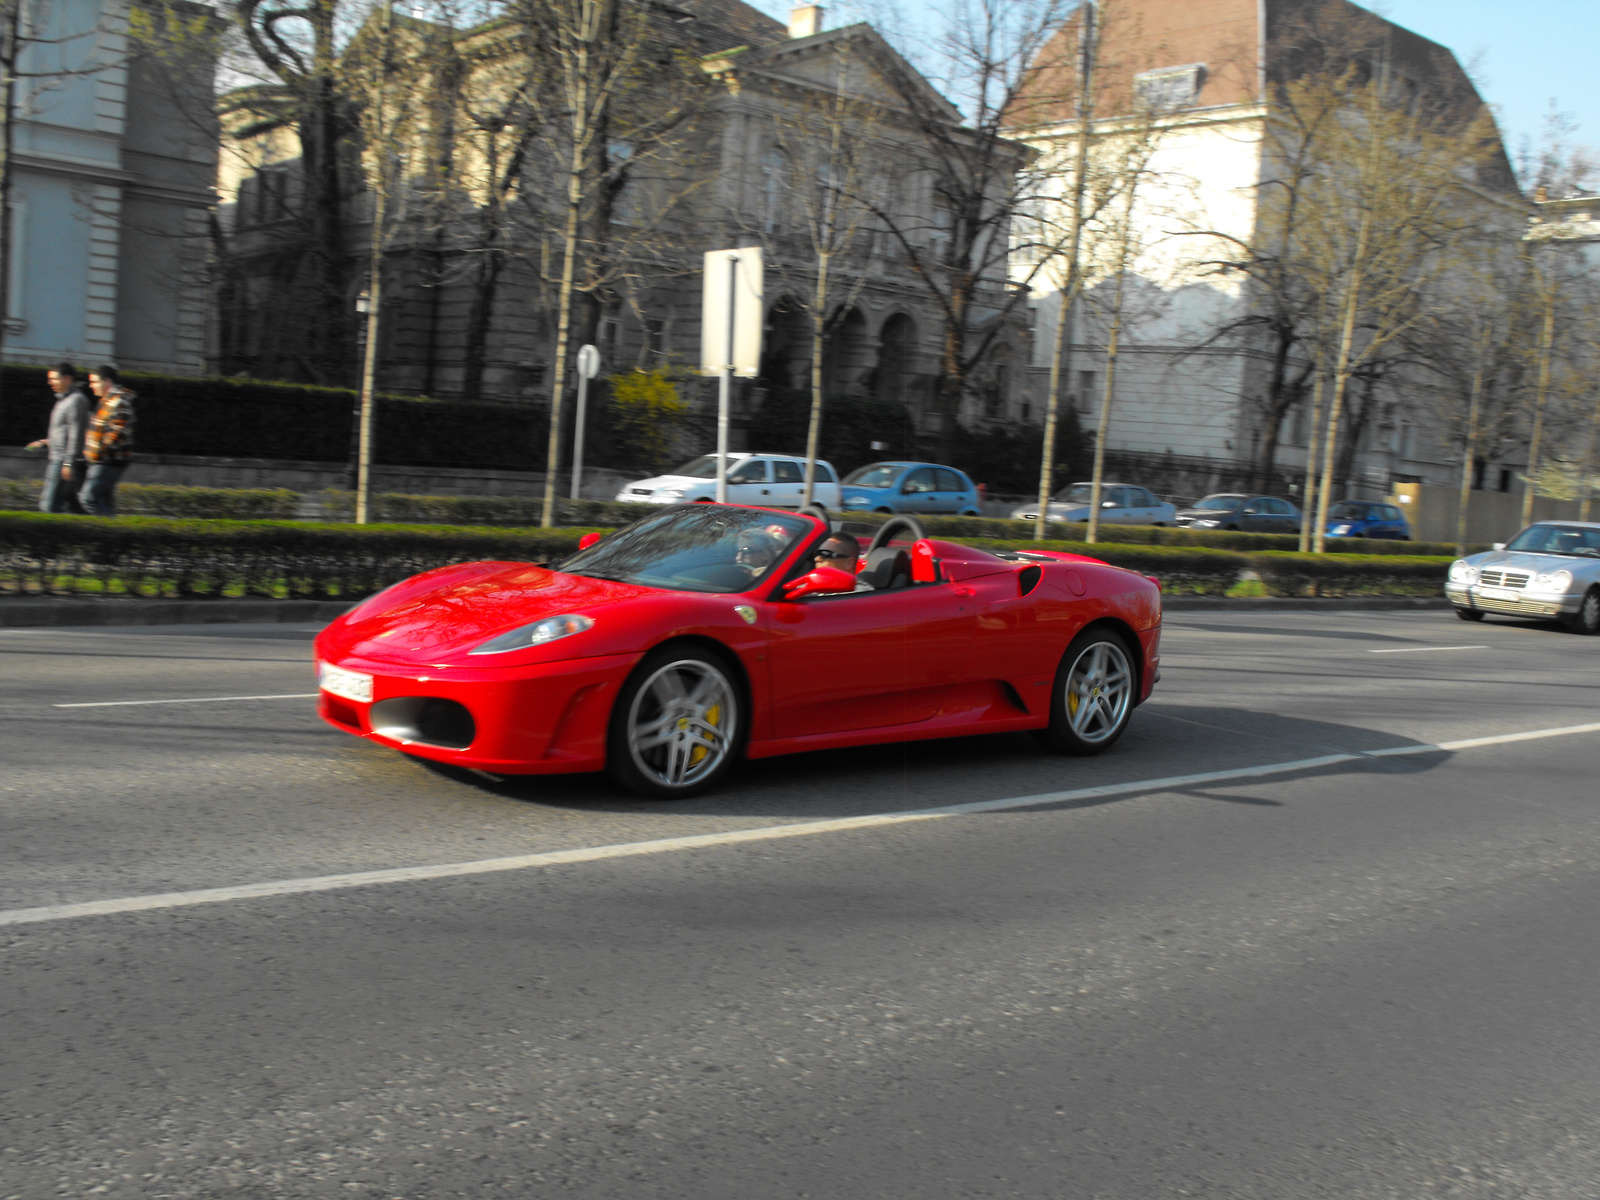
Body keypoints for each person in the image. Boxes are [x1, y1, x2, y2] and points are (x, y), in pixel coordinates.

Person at [24, 363, 90, 513]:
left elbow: (76, 433)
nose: (50, 382)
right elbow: (64, 433)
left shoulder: (76, 400)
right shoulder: (63, 400)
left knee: (49, 506)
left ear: (67, 379)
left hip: (62, 461)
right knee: (70, 507)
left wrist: (68, 463)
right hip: (60, 459)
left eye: (54, 378)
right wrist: (44, 442)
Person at [80, 365, 137, 517]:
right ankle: (112, 531)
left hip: (107, 461)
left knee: (88, 499)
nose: (91, 386)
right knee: (103, 502)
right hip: (105, 460)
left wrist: (98, 451)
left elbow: (118, 431)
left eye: (94, 382)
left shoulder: (119, 402)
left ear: (107, 381)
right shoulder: (109, 400)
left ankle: (105, 533)